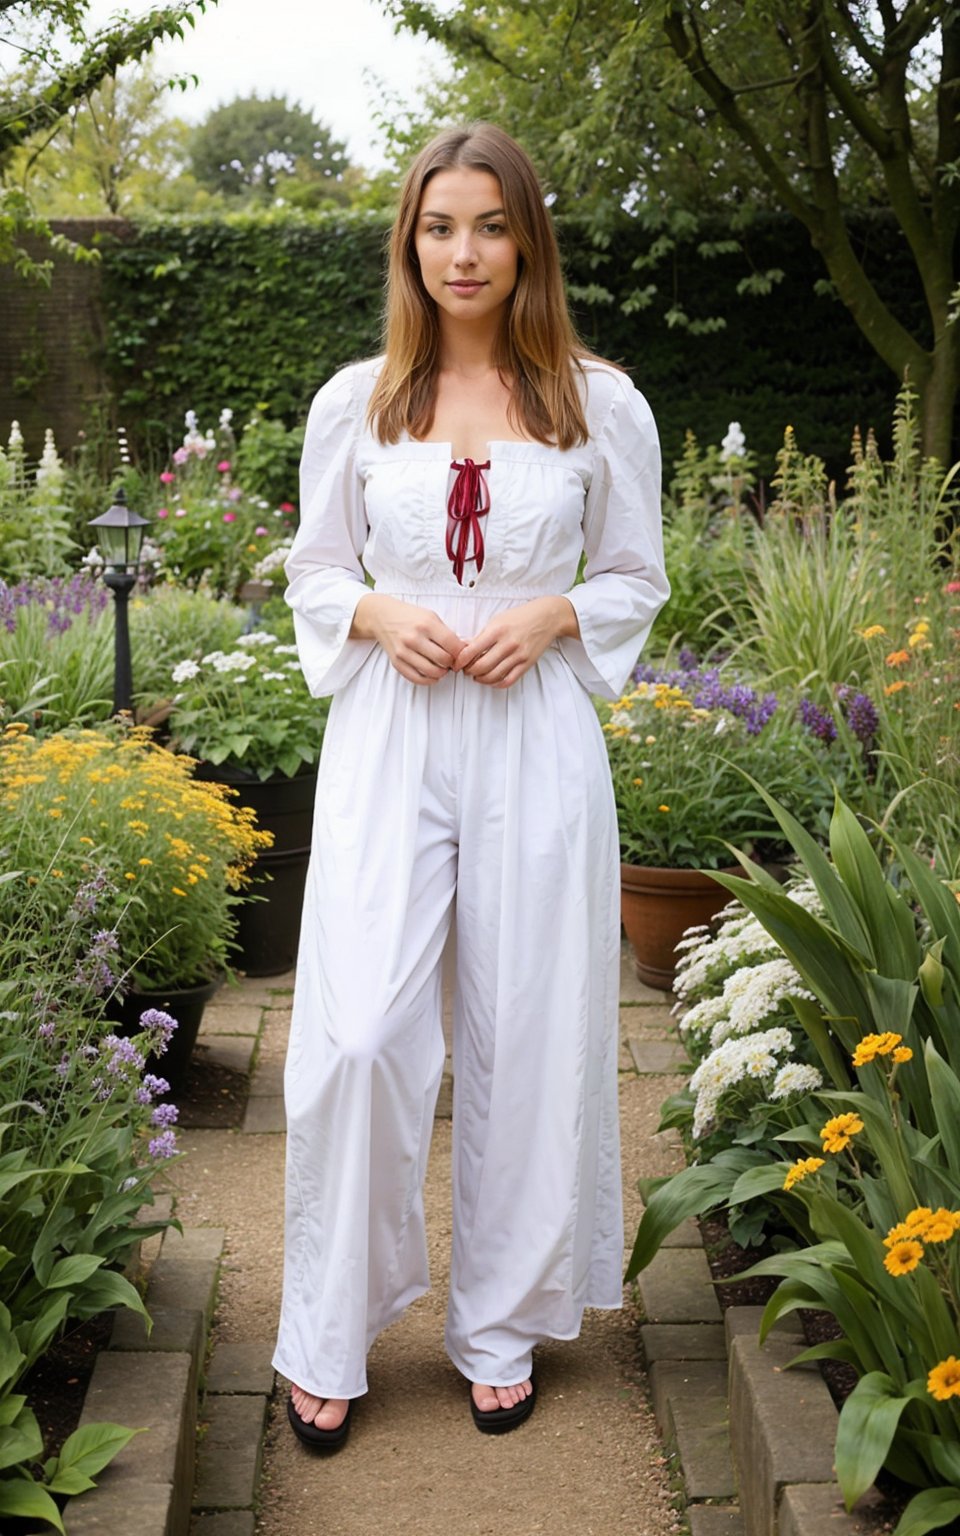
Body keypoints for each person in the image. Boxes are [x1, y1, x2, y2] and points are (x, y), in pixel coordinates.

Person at [272, 121, 669, 1450]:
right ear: (409, 239)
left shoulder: (600, 404)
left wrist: (553, 613)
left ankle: (500, 1325)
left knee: (529, 1027)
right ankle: (329, 1328)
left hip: (534, 738)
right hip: (393, 734)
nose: (464, 252)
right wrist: (378, 614)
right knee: (359, 1036)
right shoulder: (358, 400)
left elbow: (633, 577)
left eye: (490, 225)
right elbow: (317, 571)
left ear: (527, 242)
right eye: (440, 225)